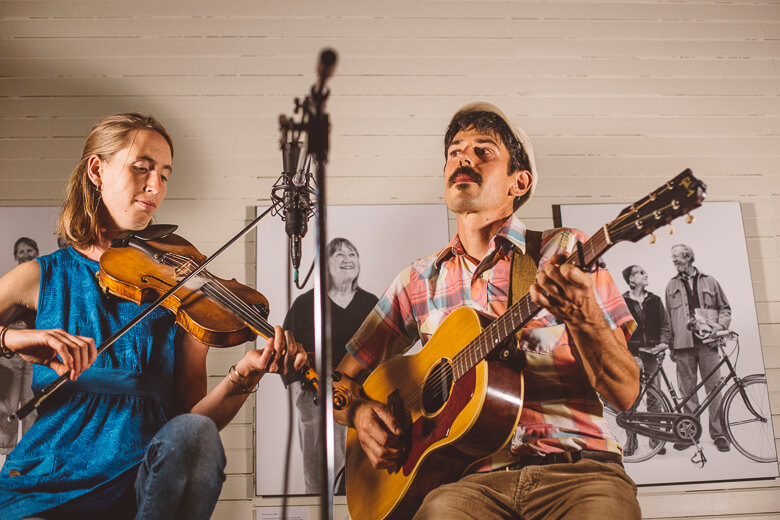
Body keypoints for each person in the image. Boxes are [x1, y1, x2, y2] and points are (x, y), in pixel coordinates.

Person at [333, 102, 641, 519]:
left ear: (519, 181)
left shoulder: (564, 252)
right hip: (467, 484)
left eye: (484, 151)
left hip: (580, 471)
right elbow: (337, 381)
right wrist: (358, 411)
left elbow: (626, 393)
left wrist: (584, 316)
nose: (464, 157)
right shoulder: (417, 280)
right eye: (456, 150)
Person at [0, 113, 307, 520]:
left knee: (195, 435)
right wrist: (12, 338)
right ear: (98, 169)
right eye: (142, 169)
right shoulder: (43, 275)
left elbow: (191, 421)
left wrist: (244, 375)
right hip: (49, 481)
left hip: (143, 481)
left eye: (165, 175)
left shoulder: (181, 288)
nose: (155, 187)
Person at [283, 237, 378, 494]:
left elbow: (386, 352)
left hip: (362, 399)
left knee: (361, 474)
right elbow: (287, 348)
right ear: (325, 263)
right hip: (314, 400)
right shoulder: (305, 304)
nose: (348, 259)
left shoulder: (372, 304)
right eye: (339, 254)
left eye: (352, 254)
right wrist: (296, 392)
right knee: (317, 475)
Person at [665, 244, 732, 452]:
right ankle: (689, 435)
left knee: (714, 389)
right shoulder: (671, 285)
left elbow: (725, 308)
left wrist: (720, 327)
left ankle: (719, 433)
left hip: (708, 344)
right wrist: (671, 347)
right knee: (687, 392)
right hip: (683, 346)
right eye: (672, 257)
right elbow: (668, 318)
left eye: (677, 256)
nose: (674, 260)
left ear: (688, 257)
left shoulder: (710, 281)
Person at [621, 264, 671, 456]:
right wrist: (630, 355)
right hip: (630, 356)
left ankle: (655, 440)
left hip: (651, 354)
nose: (646, 274)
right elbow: (617, 330)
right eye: (641, 272)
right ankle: (630, 441)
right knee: (630, 398)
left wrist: (663, 344)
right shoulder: (621, 301)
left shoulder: (655, 301)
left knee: (654, 397)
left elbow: (665, 326)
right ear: (631, 279)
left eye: (645, 271)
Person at [0, 238, 41, 458]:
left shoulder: (47, 281)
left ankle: (28, 454)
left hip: (36, 352)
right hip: (10, 352)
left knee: (31, 402)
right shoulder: (9, 282)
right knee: (6, 405)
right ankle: (4, 451)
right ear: (16, 257)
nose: (25, 254)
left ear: (37, 252)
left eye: (29, 250)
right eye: (21, 252)